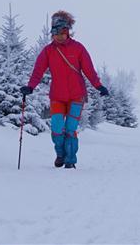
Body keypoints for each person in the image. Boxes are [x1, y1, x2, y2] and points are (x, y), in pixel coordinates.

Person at [20, 10, 109, 169]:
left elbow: (89, 70)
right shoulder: (48, 51)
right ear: (52, 33)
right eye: (56, 33)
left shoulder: (78, 48)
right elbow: (38, 71)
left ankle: (70, 160)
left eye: (62, 32)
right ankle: (60, 153)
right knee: (56, 128)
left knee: (70, 129)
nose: (59, 36)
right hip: (57, 96)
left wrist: (99, 86)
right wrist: (30, 87)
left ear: (67, 32)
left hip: (77, 96)